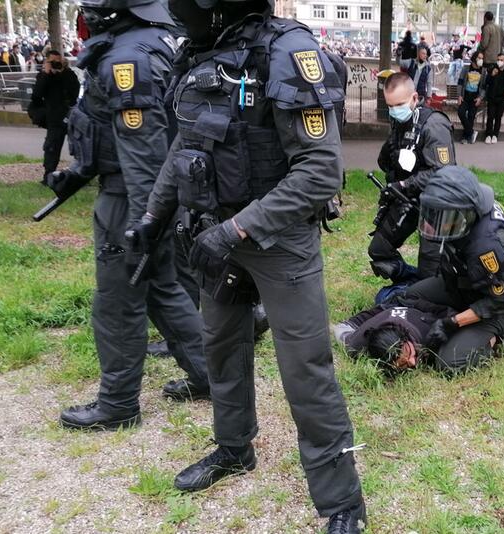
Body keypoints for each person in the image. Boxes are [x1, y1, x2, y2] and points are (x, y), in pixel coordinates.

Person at [142, 0, 366, 529]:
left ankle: (341, 505)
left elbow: (319, 171)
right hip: (214, 233)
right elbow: (186, 145)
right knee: (220, 347)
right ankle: (233, 448)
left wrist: (236, 230)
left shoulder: (288, 52)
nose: (178, 13)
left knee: (305, 368)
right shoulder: (201, 55)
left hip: (279, 241)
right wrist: (153, 213)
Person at [46, 0, 211, 431]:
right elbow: (114, 133)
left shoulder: (127, 59)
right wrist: (79, 172)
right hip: (148, 196)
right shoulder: (154, 42)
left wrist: (143, 225)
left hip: (131, 200)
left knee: (118, 303)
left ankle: (118, 404)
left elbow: (144, 158)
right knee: (162, 288)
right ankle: (208, 375)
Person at [403, 166, 504, 375]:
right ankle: (468, 320)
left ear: (465, 215)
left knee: (449, 363)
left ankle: (502, 331)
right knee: (411, 296)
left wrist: (451, 323)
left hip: (497, 302)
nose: (436, 224)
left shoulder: (487, 246)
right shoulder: (469, 204)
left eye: (443, 218)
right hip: (466, 281)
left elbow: (499, 300)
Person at [372, 72, 456, 281]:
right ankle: (410, 283)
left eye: (399, 104)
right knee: (379, 250)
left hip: (436, 205)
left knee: (431, 273)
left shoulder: (434, 125)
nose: (394, 111)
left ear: (415, 98)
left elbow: (443, 172)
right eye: (390, 106)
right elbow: (385, 161)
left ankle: (425, 288)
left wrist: (404, 184)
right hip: (407, 199)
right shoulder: (401, 122)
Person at [334, 297, 456, 374]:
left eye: (410, 353)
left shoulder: (426, 333)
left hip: (405, 300)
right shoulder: (356, 344)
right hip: (383, 311)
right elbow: (340, 329)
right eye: (402, 364)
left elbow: (447, 313)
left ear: (406, 338)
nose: (413, 362)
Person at [28, 50, 80, 178]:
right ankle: (49, 174)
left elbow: (75, 90)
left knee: (79, 144)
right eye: (53, 62)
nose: (56, 64)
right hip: (54, 116)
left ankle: (81, 172)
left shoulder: (68, 74)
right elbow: (36, 96)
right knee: (52, 146)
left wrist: (63, 71)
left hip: (70, 115)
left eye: (58, 61)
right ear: (47, 61)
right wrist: (46, 73)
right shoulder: (43, 76)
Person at [481, 53, 504, 144]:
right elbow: (486, 82)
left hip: (502, 98)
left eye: (501, 60)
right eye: (498, 59)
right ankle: (488, 134)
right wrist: (491, 74)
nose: (499, 62)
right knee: (490, 116)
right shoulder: (492, 69)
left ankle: (495, 134)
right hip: (492, 97)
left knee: (498, 117)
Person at [457, 51, 485, 144]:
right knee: (461, 112)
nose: (481, 60)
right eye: (479, 58)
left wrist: (480, 97)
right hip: (465, 96)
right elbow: (460, 82)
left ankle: (466, 137)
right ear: (474, 58)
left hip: (475, 98)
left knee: (471, 116)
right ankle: (471, 132)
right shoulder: (466, 68)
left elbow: (484, 86)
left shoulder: (483, 71)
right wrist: (459, 95)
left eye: (482, 58)